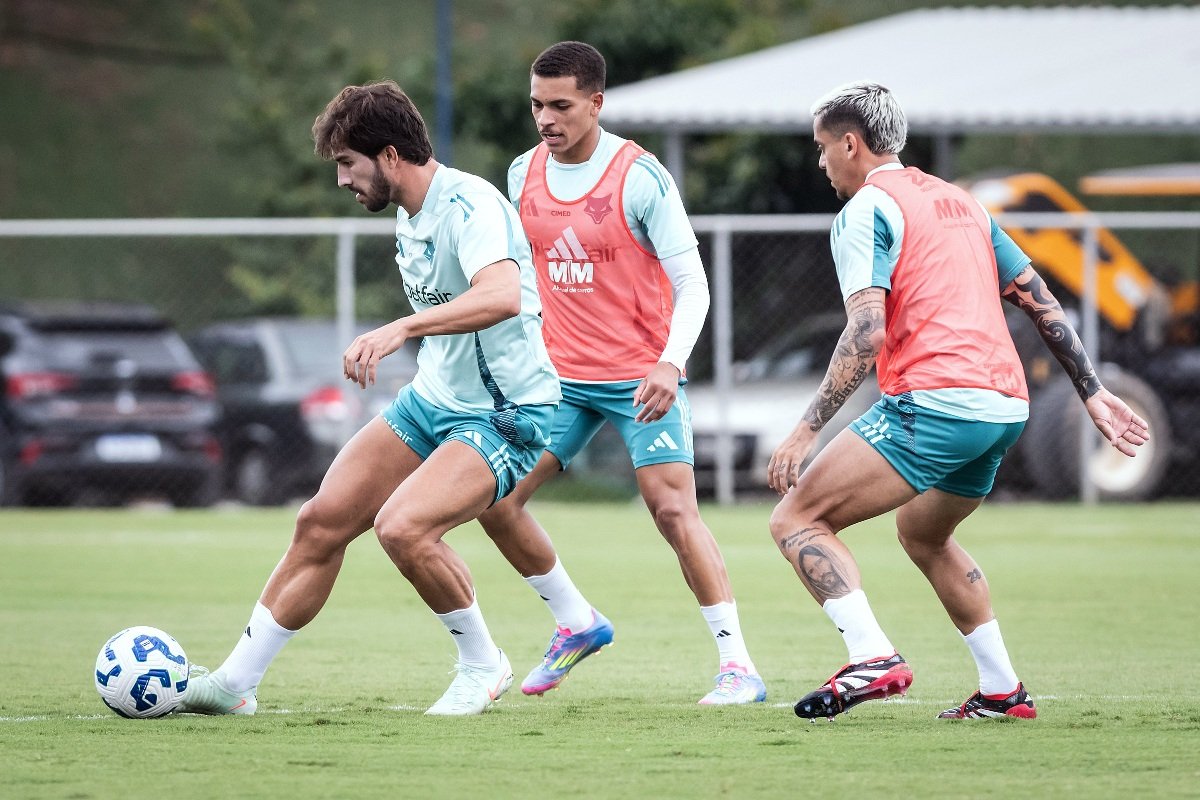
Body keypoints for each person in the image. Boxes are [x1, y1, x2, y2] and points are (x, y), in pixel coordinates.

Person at [179, 81, 563, 717]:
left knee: (404, 528)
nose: (341, 180)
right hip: (432, 402)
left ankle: (482, 664)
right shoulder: (410, 217)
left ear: (388, 155)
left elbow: (501, 296)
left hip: (506, 414)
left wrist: (401, 327)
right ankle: (234, 683)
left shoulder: (471, 205)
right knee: (320, 522)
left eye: (346, 163)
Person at [768, 81, 1149, 721]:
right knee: (924, 532)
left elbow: (866, 331)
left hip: (937, 403)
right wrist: (1093, 391)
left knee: (796, 520)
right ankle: (1002, 690)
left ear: (851, 143)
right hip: (1004, 407)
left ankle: (871, 657)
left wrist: (806, 430)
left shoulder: (864, 209)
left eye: (822, 147)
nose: (821, 161)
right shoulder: (960, 203)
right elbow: (1040, 300)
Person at [474, 41, 767, 706]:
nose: (545, 118)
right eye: (535, 105)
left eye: (560, 105)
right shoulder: (522, 172)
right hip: (555, 383)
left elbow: (693, 285)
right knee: (494, 500)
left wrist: (670, 361)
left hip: (641, 377)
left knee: (672, 509)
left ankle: (737, 666)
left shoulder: (641, 176)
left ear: (596, 103)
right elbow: (513, 281)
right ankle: (575, 623)